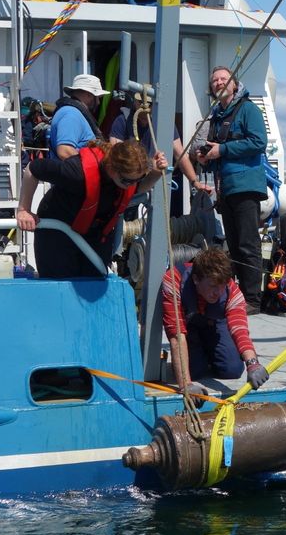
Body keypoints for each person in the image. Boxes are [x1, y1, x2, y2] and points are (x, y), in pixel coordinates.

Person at [16, 140, 167, 278]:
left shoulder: (126, 179)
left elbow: (137, 188)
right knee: (61, 285)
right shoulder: (76, 172)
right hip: (59, 233)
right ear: (113, 169)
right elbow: (33, 169)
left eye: (138, 179)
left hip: (94, 235)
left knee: (95, 280)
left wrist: (155, 173)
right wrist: (24, 209)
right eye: (128, 181)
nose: (132, 184)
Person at [197, 66, 268, 315]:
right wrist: (207, 156)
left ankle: (253, 300)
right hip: (225, 188)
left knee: (248, 244)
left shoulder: (248, 109)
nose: (218, 82)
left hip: (245, 187)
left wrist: (222, 151)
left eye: (223, 79)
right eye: (214, 80)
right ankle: (238, 295)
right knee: (235, 245)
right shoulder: (217, 115)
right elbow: (219, 149)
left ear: (234, 84)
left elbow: (259, 142)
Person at [160, 247, 269, 393]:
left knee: (233, 369)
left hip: (214, 323)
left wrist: (253, 363)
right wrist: (185, 385)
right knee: (194, 372)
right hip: (188, 327)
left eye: (222, 286)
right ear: (196, 279)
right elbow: (176, 336)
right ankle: (200, 354)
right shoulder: (173, 281)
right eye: (212, 286)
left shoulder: (232, 291)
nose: (218, 293)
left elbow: (240, 329)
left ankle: (210, 352)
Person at [108, 96, 213, 195]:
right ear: (135, 102)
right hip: (124, 186)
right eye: (141, 102)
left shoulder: (165, 123)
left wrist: (195, 182)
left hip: (149, 183)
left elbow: (180, 155)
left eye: (150, 103)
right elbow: (115, 157)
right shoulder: (123, 121)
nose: (145, 106)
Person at [49, 74, 110, 160]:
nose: (99, 102)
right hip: (70, 173)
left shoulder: (73, 113)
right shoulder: (71, 115)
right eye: (97, 98)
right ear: (88, 95)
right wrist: (92, 165)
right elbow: (64, 151)